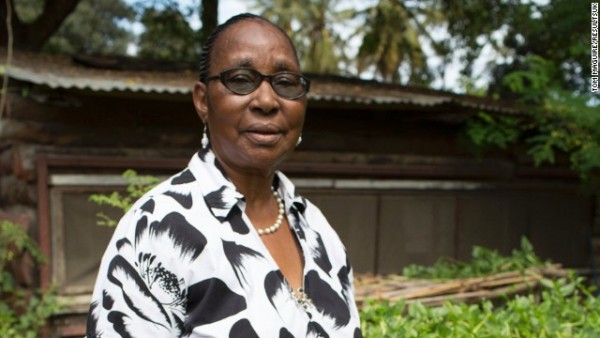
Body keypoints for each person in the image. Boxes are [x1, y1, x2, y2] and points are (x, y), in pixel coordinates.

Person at [86, 13, 363, 337]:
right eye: (241, 79)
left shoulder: (319, 231)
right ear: (203, 101)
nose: (266, 100)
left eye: (285, 83)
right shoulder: (160, 227)